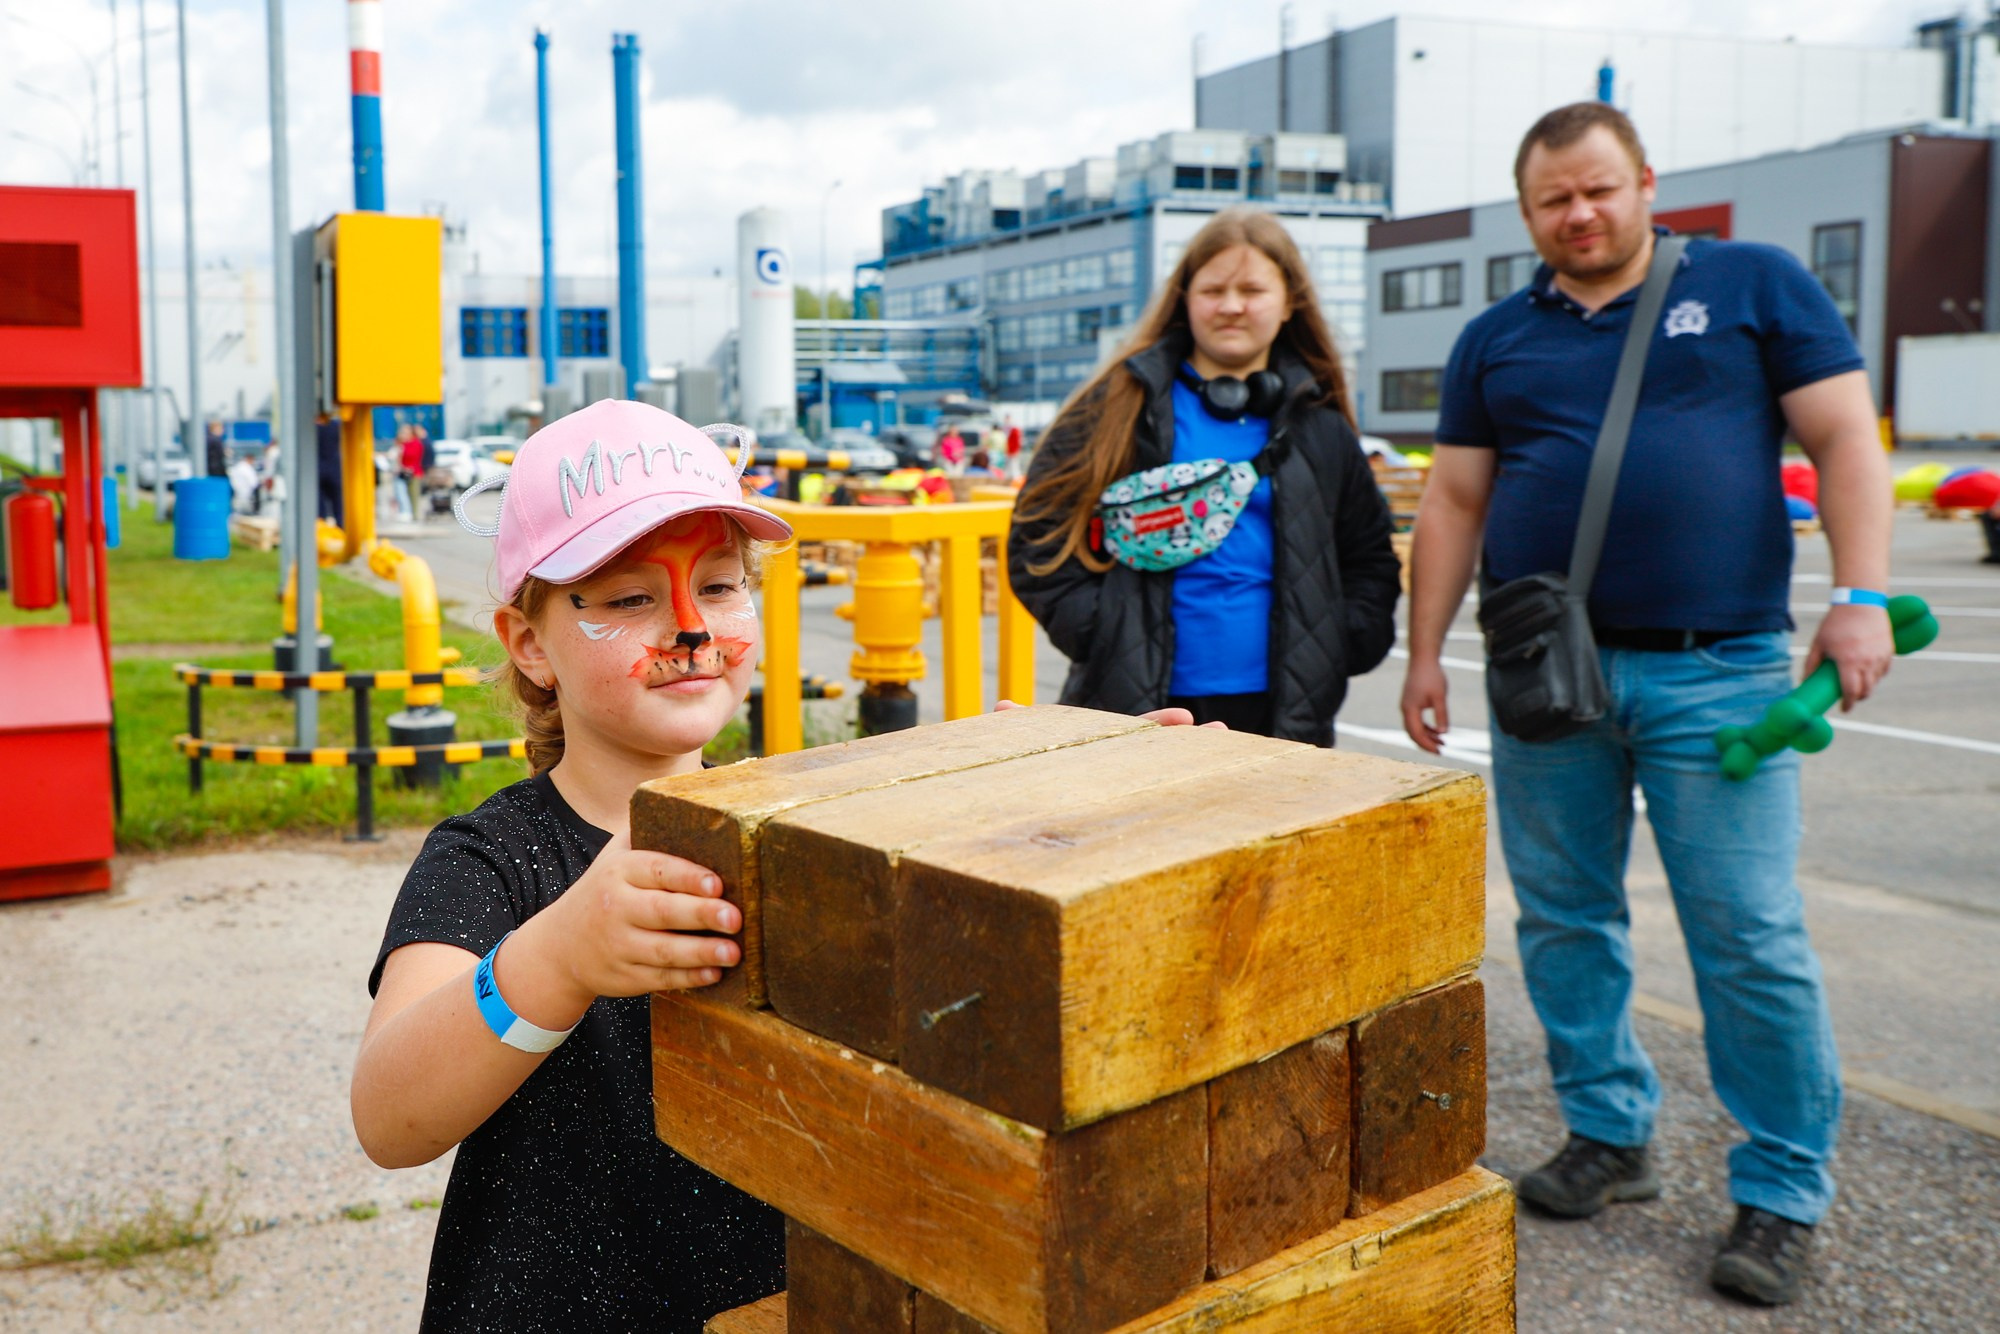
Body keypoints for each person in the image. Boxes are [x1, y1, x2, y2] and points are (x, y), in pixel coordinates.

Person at [1398, 103, 1892, 1306]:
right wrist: (1423, 657)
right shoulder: (1492, 338)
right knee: (1561, 918)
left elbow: (1839, 438)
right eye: (1552, 200)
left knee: (1746, 935)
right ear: (1526, 214)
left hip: (1711, 669)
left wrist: (1861, 593)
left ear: (1642, 183)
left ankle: (1778, 1189)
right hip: (1543, 672)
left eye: (1598, 190)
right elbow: (1455, 502)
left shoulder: (1751, 284)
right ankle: (1608, 1134)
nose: (1579, 214)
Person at [351, 400, 796, 1329]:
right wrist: (554, 961)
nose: (688, 628)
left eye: (718, 586)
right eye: (631, 598)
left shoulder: (797, 826)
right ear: (530, 646)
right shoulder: (492, 859)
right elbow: (389, 1118)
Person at [1007, 206, 1401, 742]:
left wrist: (1336, 641)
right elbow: (1038, 533)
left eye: (1253, 291)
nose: (1232, 306)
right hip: (1137, 705)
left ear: (1289, 304)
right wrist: (1107, 633)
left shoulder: (1320, 428)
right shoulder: (1119, 407)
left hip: (1285, 710)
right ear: (1185, 299)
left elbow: (1369, 556)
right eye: (1214, 289)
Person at [399, 424, 425, 522]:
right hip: (404, 472)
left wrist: (409, 467)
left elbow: (415, 457)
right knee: (404, 494)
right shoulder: (403, 444)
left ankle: (415, 515)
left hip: (414, 472)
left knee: (414, 494)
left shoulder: (416, 443)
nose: (403, 434)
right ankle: (407, 512)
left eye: (405, 432)